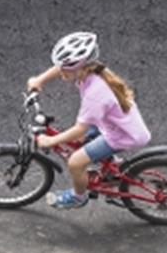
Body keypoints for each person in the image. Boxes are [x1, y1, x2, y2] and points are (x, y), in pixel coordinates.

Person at [25, 31, 151, 210]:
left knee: (75, 162)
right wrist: (40, 80)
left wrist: (51, 141)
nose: (61, 72)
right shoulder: (92, 71)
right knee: (81, 140)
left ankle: (78, 197)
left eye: (65, 68)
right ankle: (111, 165)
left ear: (79, 67)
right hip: (118, 124)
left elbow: (80, 129)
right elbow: (60, 68)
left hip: (123, 135)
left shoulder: (96, 94)